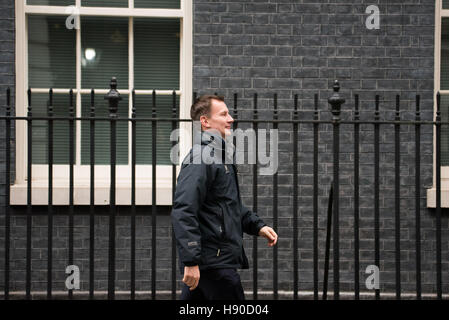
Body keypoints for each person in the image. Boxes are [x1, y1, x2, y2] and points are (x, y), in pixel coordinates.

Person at [171, 94, 278, 300]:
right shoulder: (201, 158)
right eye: (224, 114)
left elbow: (228, 205)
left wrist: (257, 226)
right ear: (205, 121)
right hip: (215, 265)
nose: (231, 119)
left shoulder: (219, 157)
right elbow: (184, 210)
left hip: (214, 263)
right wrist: (191, 261)